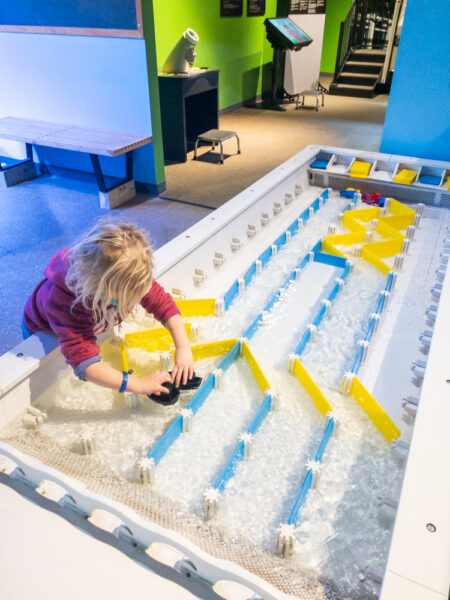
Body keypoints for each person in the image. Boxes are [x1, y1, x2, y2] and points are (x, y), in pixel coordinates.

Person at [22, 222, 194, 397]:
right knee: (53, 371)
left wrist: (183, 347)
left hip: (88, 310)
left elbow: (161, 302)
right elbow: (84, 363)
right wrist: (139, 384)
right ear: (99, 289)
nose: (132, 302)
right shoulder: (63, 301)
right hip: (43, 331)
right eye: (125, 299)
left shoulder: (124, 273)